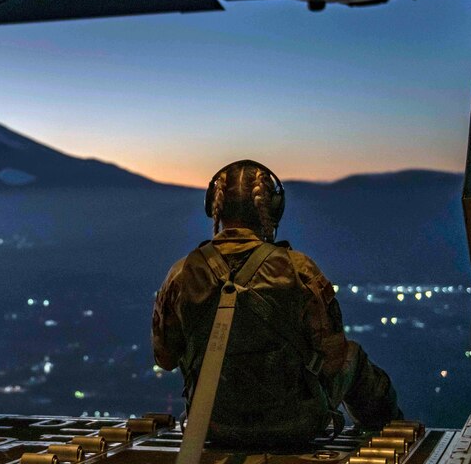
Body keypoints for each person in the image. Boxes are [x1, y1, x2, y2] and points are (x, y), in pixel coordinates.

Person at [152, 160, 401, 446]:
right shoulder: (299, 269)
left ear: (214, 207)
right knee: (352, 357)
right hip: (296, 425)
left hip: (211, 425)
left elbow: (165, 358)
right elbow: (333, 359)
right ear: (273, 207)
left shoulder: (182, 273)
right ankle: (392, 438)